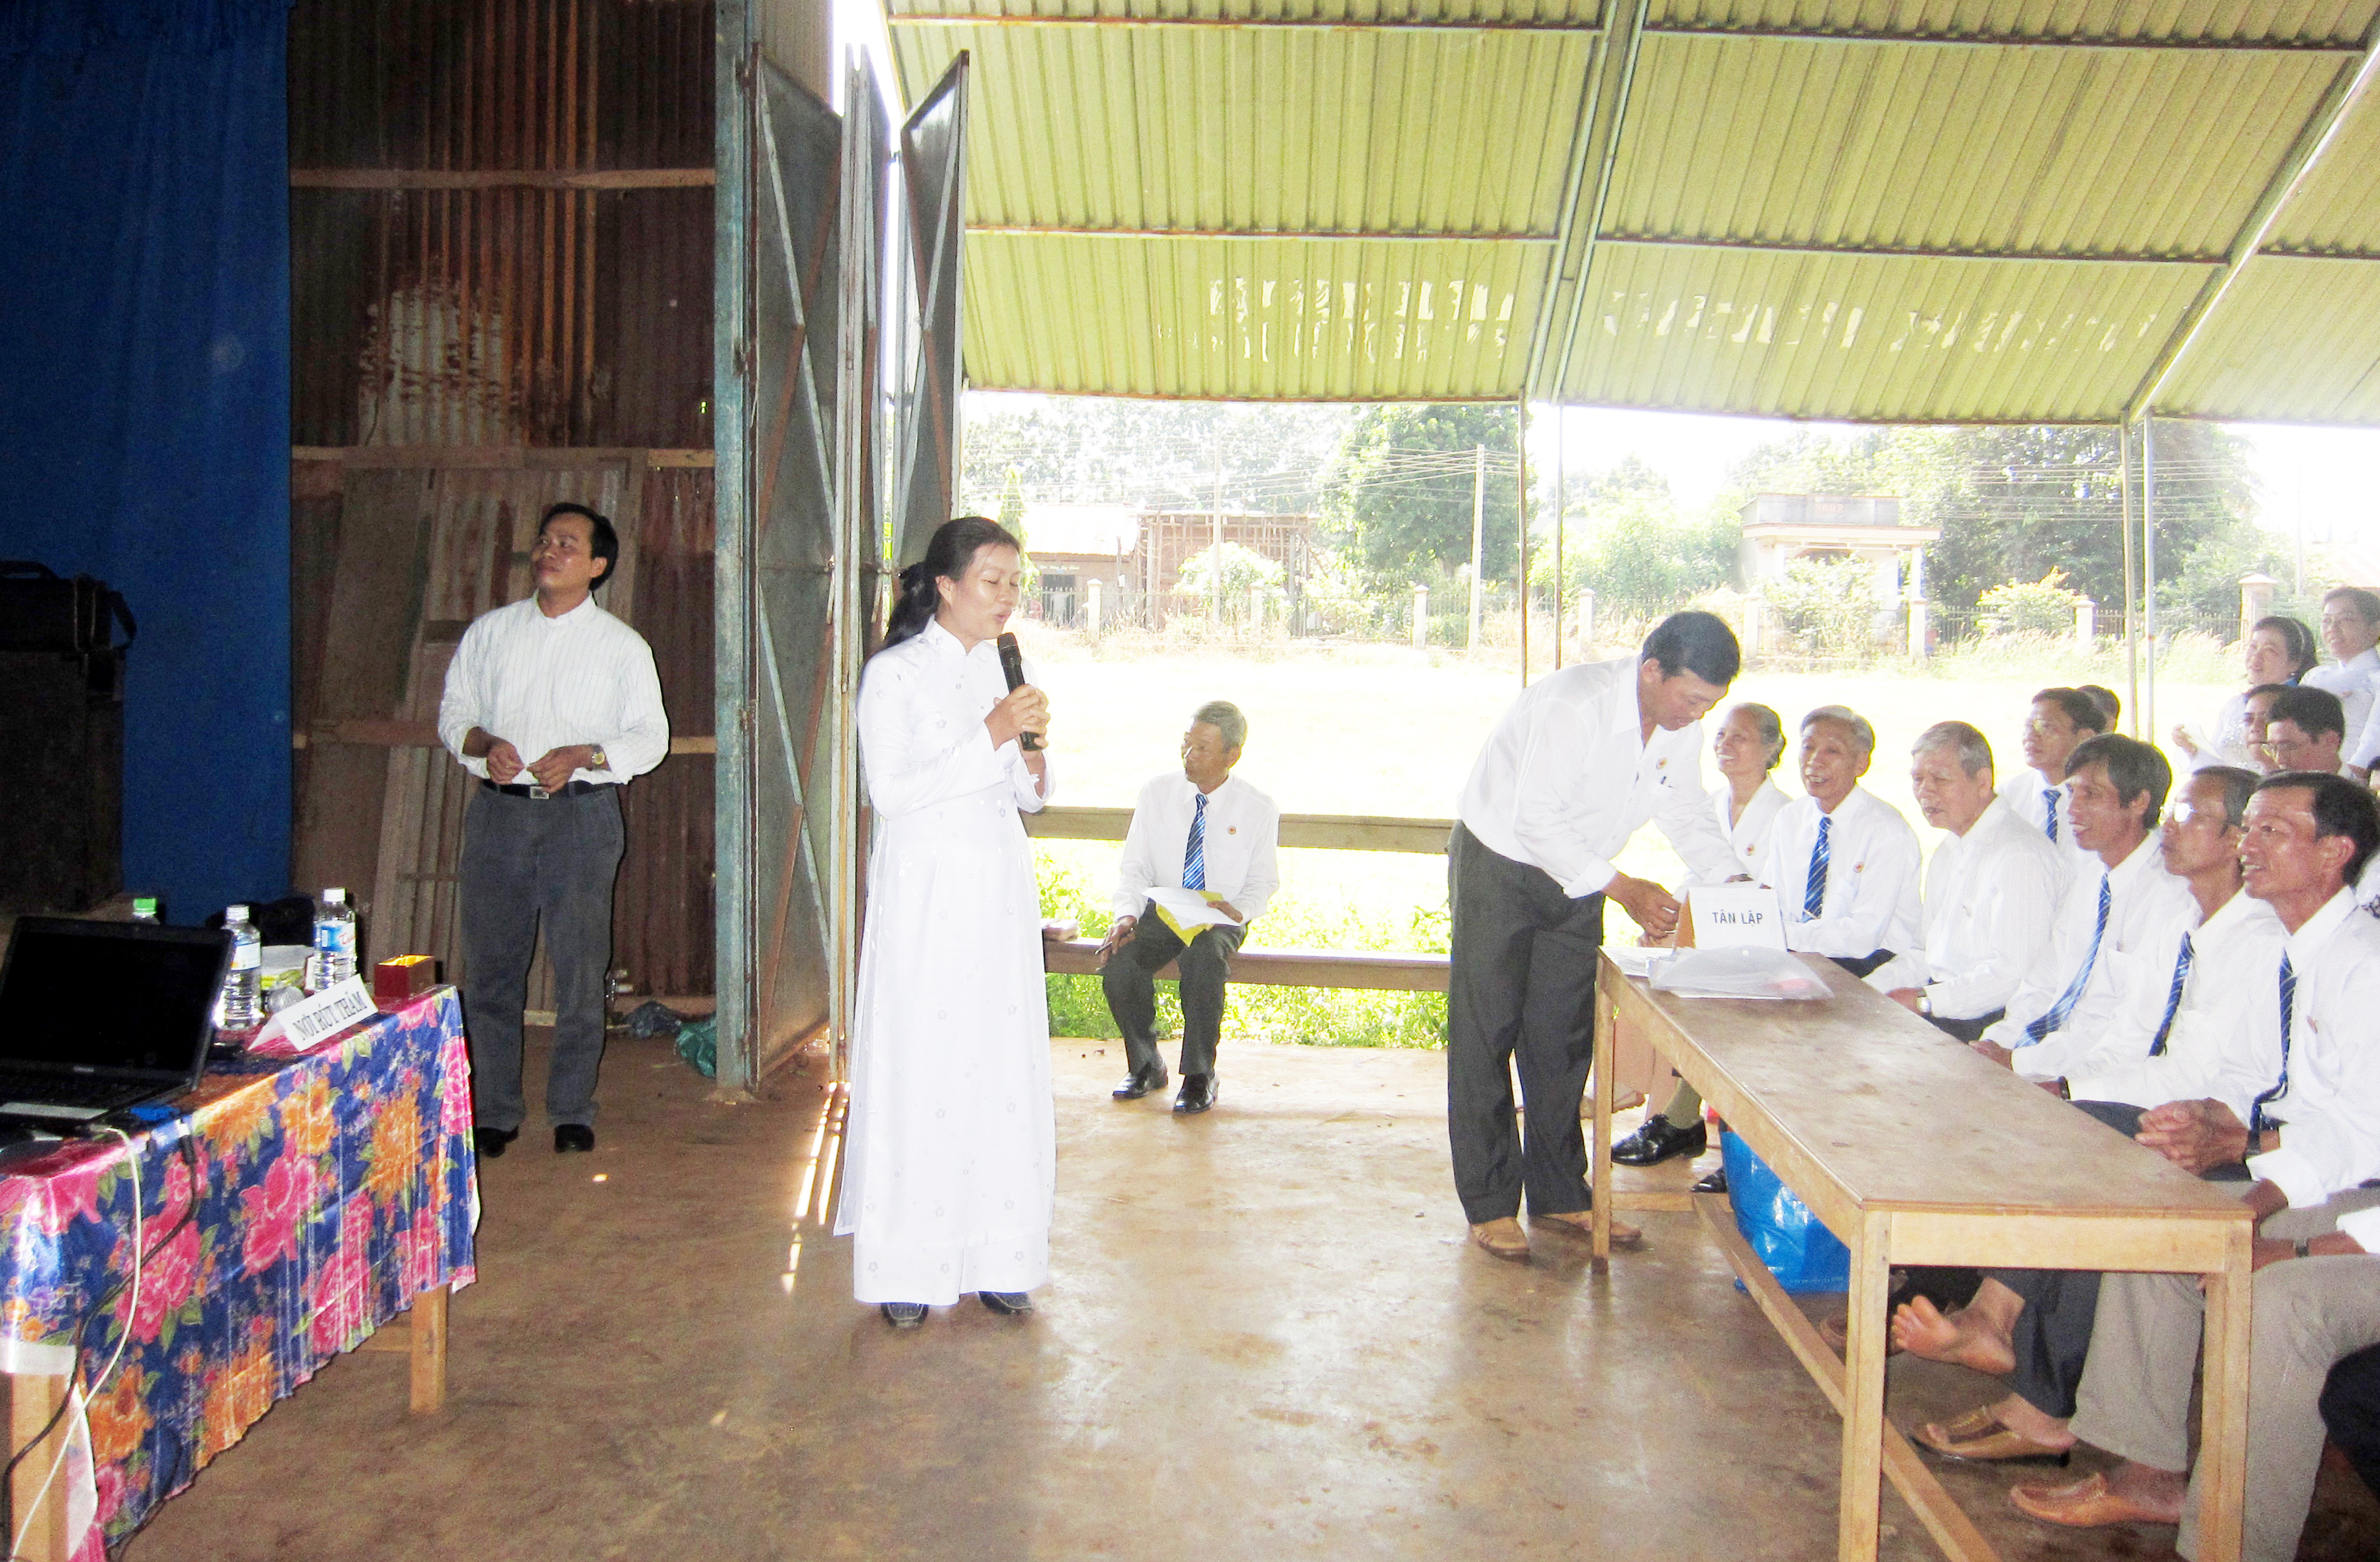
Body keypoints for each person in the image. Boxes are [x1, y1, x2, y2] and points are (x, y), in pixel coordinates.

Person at [2007, 774, 2380, 1562]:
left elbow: (2360, 1137)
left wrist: (2273, 1221)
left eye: (2274, 831)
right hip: (2328, 1177)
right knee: (2171, 1229)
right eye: (2250, 827)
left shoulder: (2364, 964)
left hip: (2359, 1199)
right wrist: (2229, 1143)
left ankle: (2232, 1544)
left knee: (2280, 1302)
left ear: (2336, 853)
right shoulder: (2297, 949)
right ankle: (2146, 1470)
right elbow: (2292, 1104)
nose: (2250, 845)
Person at [1887, 767, 2283, 1465]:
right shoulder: (2187, 920)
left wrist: (2068, 1088)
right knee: (2064, 1130)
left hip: (2240, 1134)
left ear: (2235, 841)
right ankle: (2002, 1342)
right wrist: (2052, 1077)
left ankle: (2020, 1368)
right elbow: (2131, 1033)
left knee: (2088, 1146)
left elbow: (2207, 1079)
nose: (2170, 826)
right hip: (2166, 1101)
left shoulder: (2259, 938)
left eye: (2192, 816)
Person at [1447, 611, 1742, 1262]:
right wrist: (1625, 889)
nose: (1698, 715)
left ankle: (1559, 1192)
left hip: (1584, 874)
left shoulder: (1679, 729)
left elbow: (1686, 811)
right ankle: (1490, 1202)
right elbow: (1535, 821)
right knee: (1486, 1033)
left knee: (1562, 1038)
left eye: (1710, 704)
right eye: (1691, 698)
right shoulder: (1575, 705)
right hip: (1501, 864)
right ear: (1652, 671)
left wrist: (1734, 879)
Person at [836, 516, 1056, 1330]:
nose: (1007, 598)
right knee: (923, 1066)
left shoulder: (1002, 669)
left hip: (998, 889)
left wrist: (1030, 752)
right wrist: (991, 733)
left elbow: (1031, 796)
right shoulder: (893, 675)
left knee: (999, 1067)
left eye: (1015, 583)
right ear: (945, 585)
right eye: (992, 581)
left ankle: (999, 1256)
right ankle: (908, 1264)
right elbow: (892, 794)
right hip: (926, 895)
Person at [437, 501, 669, 1159]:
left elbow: (650, 739)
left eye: (567, 544)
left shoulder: (622, 647)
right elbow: (455, 714)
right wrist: (485, 745)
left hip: (582, 818)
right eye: (544, 541)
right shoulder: (492, 633)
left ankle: (571, 1108)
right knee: (492, 970)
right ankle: (495, 1110)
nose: (549, 551)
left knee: (579, 968)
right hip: (499, 815)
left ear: (597, 565)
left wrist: (585, 755)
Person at [1610, 702, 1789, 1169]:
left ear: (1772, 748)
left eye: (1740, 737)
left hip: (1753, 938)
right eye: (1722, 735)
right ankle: (1657, 1106)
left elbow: (1766, 894)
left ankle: (1666, 1113)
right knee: (1651, 961)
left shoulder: (1785, 815)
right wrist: (1667, 918)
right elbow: (1697, 872)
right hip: (1704, 928)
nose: (1725, 745)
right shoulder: (1709, 805)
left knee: (1677, 971)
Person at [1975, 735, 2195, 1087]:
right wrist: (1999, 1041)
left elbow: (2123, 1029)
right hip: (2045, 1055)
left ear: (2139, 802)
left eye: (2091, 795)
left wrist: (2020, 1062)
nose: (2073, 809)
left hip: (2099, 1074)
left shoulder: (2170, 897)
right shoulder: (2092, 877)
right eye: (2072, 793)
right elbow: (2044, 981)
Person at [1099, 700, 1281, 1115]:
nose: (1189, 755)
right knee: (1121, 961)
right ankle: (1146, 1064)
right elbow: (1135, 867)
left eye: (1202, 748)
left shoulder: (1257, 807)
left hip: (1220, 916)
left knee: (1203, 961)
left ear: (1232, 755)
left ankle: (1200, 1075)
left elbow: (1263, 881)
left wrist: (1240, 910)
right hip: (1165, 909)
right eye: (1186, 744)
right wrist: (1126, 914)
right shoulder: (1157, 793)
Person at [1869, 721, 2066, 1043]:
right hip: (1942, 1004)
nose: (1925, 792)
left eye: (1940, 780)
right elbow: (1925, 954)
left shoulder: (2019, 855)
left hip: (1992, 1025)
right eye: (1918, 779)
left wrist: (1926, 1001)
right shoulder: (1950, 849)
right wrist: (1864, 992)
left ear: (1983, 782)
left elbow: (2013, 976)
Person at [1756, 706, 1922, 978]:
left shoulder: (1886, 831)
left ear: (1861, 764)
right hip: (1798, 954)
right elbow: (1770, 898)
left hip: (1870, 965)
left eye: (1832, 751)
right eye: (1808, 747)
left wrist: (1778, 935)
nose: (1815, 761)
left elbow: (1863, 937)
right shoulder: (1790, 818)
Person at [2175, 615, 2318, 770]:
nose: (2256, 656)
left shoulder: (2302, 710)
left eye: (2270, 650)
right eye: (2253, 647)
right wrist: (2192, 749)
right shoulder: (2235, 705)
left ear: (2294, 663)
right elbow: (2218, 766)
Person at [2000, 688, 2107, 875]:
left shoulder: (2105, 801)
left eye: (2046, 727)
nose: (2031, 736)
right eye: (2028, 726)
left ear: (2085, 737)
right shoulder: (2007, 798)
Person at [2306, 586, 2380, 780]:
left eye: (2346, 619)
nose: (2333, 628)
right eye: (2327, 621)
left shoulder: (2376, 679)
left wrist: (2346, 782)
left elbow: (2374, 740)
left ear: (2375, 629)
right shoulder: (2315, 676)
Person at [2263, 685, 2346, 774]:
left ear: (2330, 741)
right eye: (2271, 748)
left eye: (2288, 747)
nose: (2279, 760)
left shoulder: (2355, 783)